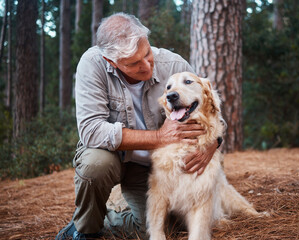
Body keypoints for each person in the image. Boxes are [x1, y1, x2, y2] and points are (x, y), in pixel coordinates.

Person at [56, 12, 219, 240]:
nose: (146, 66)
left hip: (149, 166)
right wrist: (159, 138)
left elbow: (210, 110)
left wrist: (213, 144)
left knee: (159, 229)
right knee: (95, 166)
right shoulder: (92, 65)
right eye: (133, 63)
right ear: (111, 62)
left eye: (147, 54)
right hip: (109, 154)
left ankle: (106, 219)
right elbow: (91, 130)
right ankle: (86, 229)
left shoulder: (174, 64)